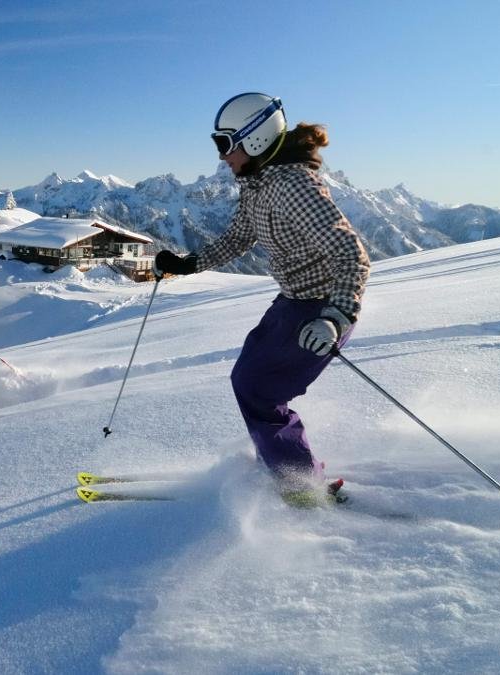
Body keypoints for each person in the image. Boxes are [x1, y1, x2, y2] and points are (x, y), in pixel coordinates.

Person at [155, 92, 371, 507]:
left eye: (224, 144)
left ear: (253, 138)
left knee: (258, 388)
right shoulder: (258, 184)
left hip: (321, 309)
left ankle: (301, 487)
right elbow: (239, 236)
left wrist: (336, 316)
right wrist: (189, 264)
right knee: (248, 375)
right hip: (292, 302)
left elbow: (352, 255)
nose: (222, 158)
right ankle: (282, 463)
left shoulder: (293, 186)